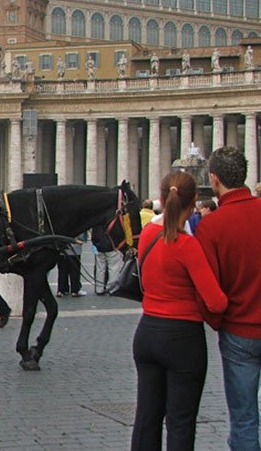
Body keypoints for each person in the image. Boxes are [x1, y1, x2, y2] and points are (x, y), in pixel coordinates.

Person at [131, 171, 227, 451]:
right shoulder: (188, 246)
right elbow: (216, 302)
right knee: (180, 422)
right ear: (195, 200)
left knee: (146, 418)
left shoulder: (147, 235)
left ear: (162, 199)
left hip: (147, 333)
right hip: (182, 339)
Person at [197, 146, 261, 450]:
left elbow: (209, 290)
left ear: (214, 179)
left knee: (245, 418)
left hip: (238, 332)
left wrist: (218, 322)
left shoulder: (211, 226)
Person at [90, 222, 121, 296]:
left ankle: (99, 289)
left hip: (99, 247)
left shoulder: (96, 223)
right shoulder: (111, 221)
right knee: (113, 268)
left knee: (100, 268)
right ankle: (112, 288)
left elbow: (93, 236)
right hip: (111, 247)